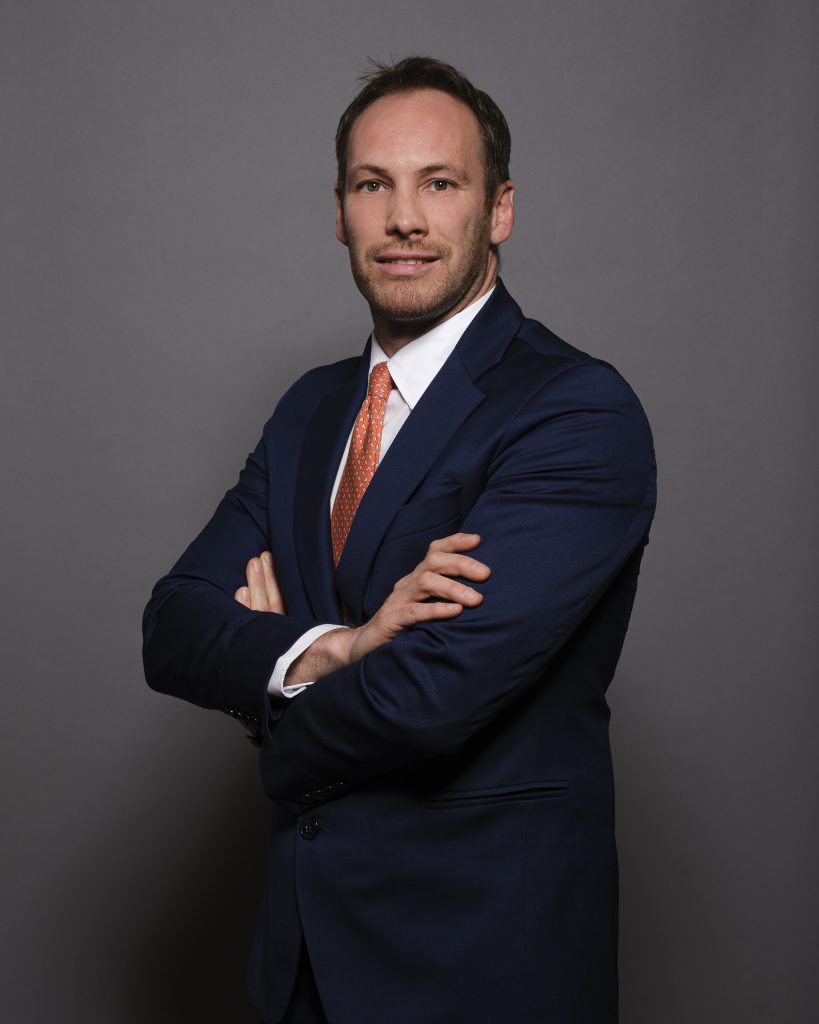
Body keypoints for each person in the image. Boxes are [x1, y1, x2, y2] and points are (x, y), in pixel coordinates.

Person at [142, 56, 656, 1024]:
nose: (405, 219)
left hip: (481, 968)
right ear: (340, 213)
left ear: (499, 209)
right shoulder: (308, 411)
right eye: (374, 185)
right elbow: (171, 625)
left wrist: (269, 707)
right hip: (300, 965)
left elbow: (429, 695)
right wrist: (333, 648)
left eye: (440, 183)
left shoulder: (573, 412)